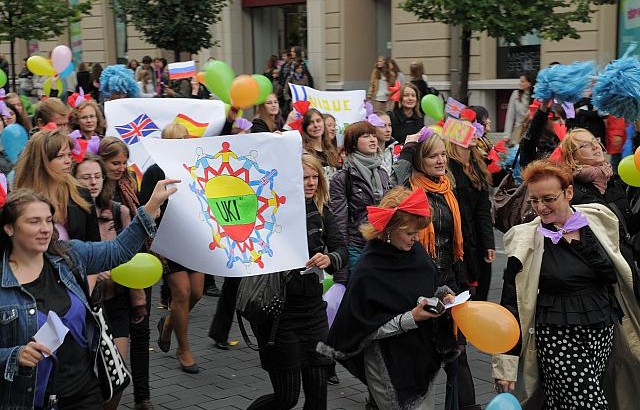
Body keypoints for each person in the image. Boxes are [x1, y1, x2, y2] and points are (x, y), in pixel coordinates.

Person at [0, 178, 176, 410]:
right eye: (34, 221)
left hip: (85, 392)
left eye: (49, 220)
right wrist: (14, 355)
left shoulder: (68, 256)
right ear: (9, 227)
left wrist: (151, 205)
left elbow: (117, 250)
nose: (45, 228)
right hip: (29, 400)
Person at [493, 160, 640, 409]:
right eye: (534, 200)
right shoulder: (525, 240)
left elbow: (623, 273)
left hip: (602, 328)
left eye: (548, 199)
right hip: (557, 334)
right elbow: (512, 303)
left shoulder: (599, 221)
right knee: (590, 404)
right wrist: (505, 363)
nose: (541, 207)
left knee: (563, 402)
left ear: (568, 193)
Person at [318, 186, 457, 410]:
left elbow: (430, 283)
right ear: (390, 229)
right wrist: (411, 317)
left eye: (417, 231)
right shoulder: (368, 270)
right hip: (388, 365)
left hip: (419, 357)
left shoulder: (416, 253)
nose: (416, 238)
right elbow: (364, 327)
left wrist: (443, 294)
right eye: (409, 232)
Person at [246, 154, 347, 410]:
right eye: (304, 178)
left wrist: (329, 258)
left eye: (315, 177)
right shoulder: (270, 211)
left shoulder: (321, 209)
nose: (311, 183)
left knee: (318, 394)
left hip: (313, 311)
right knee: (286, 398)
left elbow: (342, 250)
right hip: (280, 313)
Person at [391, 133, 479, 410]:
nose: (441, 160)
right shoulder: (407, 191)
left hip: (449, 281)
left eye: (443, 154)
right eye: (432, 156)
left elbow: (458, 241)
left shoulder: (447, 189)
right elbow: (392, 180)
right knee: (418, 358)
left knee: (458, 354)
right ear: (419, 160)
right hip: (417, 284)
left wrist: (465, 282)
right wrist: (408, 148)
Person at [72, 155, 147, 410]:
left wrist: (138, 301)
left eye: (97, 176)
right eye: (85, 177)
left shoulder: (119, 210)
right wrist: (91, 271)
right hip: (83, 308)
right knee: (91, 378)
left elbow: (129, 253)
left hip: (115, 303)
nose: (92, 182)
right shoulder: (68, 215)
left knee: (116, 376)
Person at [138, 125, 205, 374]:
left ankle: (167, 325)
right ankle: (183, 350)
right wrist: (155, 242)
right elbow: (146, 207)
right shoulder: (155, 172)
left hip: (193, 240)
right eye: (177, 140)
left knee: (197, 292)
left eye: (185, 139)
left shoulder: (196, 167)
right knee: (182, 293)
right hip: (166, 240)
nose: (183, 143)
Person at [97, 137, 154, 409]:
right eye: (114, 163)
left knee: (141, 333)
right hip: (111, 274)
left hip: (138, 267)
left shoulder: (129, 183)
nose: (120, 167)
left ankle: (143, 396)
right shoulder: (95, 189)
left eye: (123, 162)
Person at [560, 128, 640, 300]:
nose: (596, 146)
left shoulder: (613, 181)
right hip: (597, 277)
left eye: (595, 141)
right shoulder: (572, 190)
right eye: (586, 145)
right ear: (573, 157)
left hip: (626, 267)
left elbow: (628, 227)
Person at [14, 129, 100, 243]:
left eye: (69, 155)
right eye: (60, 156)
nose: (68, 161)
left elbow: (95, 244)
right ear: (42, 162)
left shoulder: (81, 194)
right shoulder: (21, 201)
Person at [330, 121, 390, 272]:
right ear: (354, 143)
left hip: (382, 246)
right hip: (357, 247)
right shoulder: (343, 177)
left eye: (374, 135)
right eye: (366, 136)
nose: (372, 139)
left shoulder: (382, 173)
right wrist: (342, 267)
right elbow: (340, 222)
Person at [445, 133, 495, 301]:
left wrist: (488, 242)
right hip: (457, 239)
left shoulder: (477, 166)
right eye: (466, 129)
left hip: (477, 239)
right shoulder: (447, 168)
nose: (473, 132)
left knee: (481, 290)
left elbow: (483, 210)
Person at [300, 108, 341, 182]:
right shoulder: (303, 152)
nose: (315, 125)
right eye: (311, 123)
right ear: (305, 127)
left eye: (318, 121)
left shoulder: (330, 150)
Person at [504, 72, 536, 142]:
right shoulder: (515, 94)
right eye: (520, 81)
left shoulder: (536, 96)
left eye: (522, 81)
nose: (520, 83)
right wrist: (507, 135)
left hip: (533, 131)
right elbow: (510, 115)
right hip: (518, 131)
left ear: (529, 83)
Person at [372, 111, 397, 175]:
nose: (388, 130)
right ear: (372, 128)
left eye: (389, 125)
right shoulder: (368, 152)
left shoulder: (394, 148)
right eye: (382, 126)